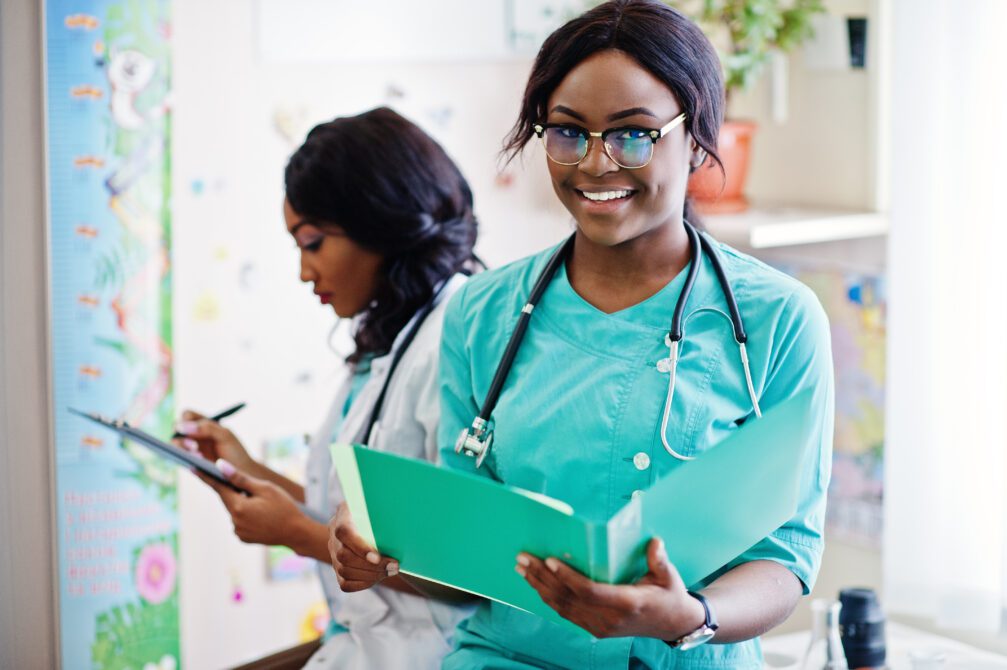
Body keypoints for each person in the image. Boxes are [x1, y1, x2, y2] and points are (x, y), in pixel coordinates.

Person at [329, 2, 835, 668]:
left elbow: (782, 560)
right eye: (567, 133)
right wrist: (385, 552)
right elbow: (475, 566)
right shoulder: (481, 315)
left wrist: (691, 619)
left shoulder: (778, 321)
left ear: (697, 135)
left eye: (633, 135)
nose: (595, 164)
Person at [175, 106, 479, 669]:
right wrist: (245, 470)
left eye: (312, 242)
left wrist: (295, 535)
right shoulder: (387, 339)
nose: (303, 271)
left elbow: (464, 574)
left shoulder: (456, 340)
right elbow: (348, 516)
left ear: (381, 221)